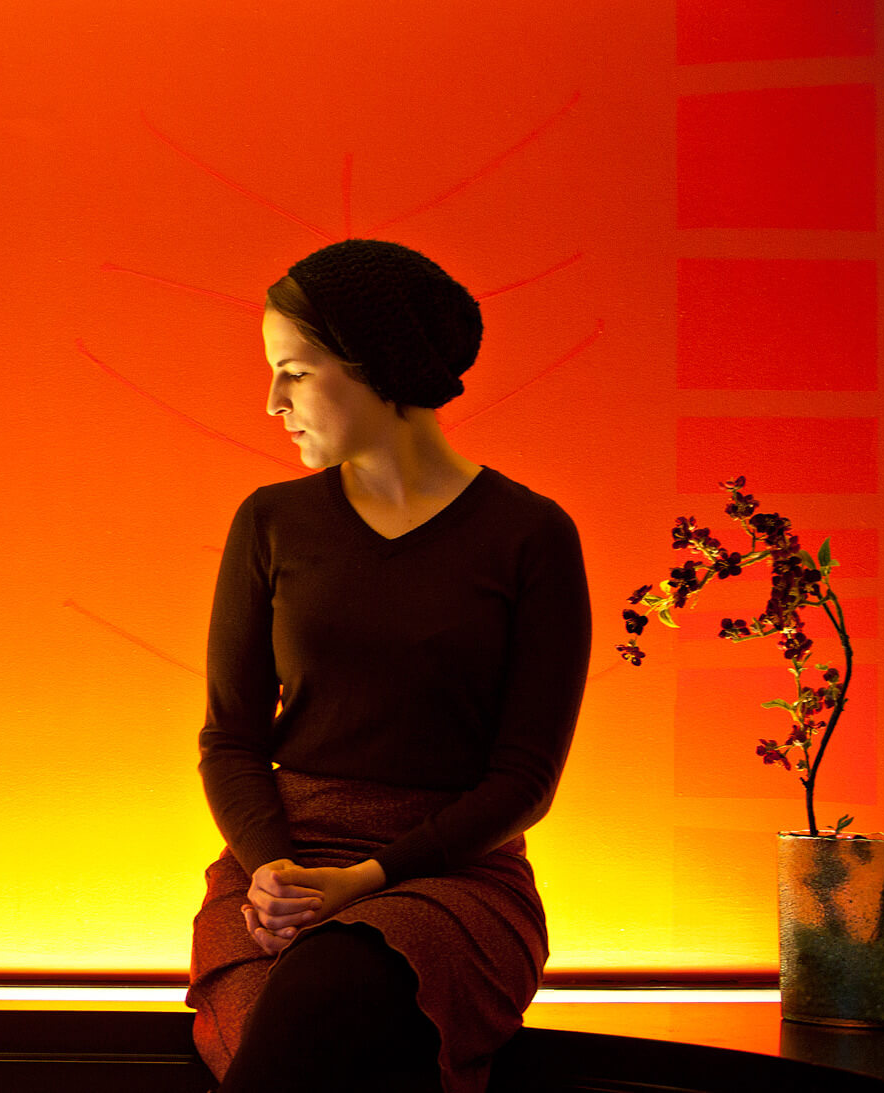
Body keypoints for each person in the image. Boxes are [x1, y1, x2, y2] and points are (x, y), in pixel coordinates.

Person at [188, 239, 592, 1093]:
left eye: (293, 372)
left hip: (454, 877)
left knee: (333, 985)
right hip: (280, 866)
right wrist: (271, 870)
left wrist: (361, 884)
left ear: (375, 363)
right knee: (308, 1012)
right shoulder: (270, 521)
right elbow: (229, 739)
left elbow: (525, 779)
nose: (271, 402)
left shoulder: (532, 536)